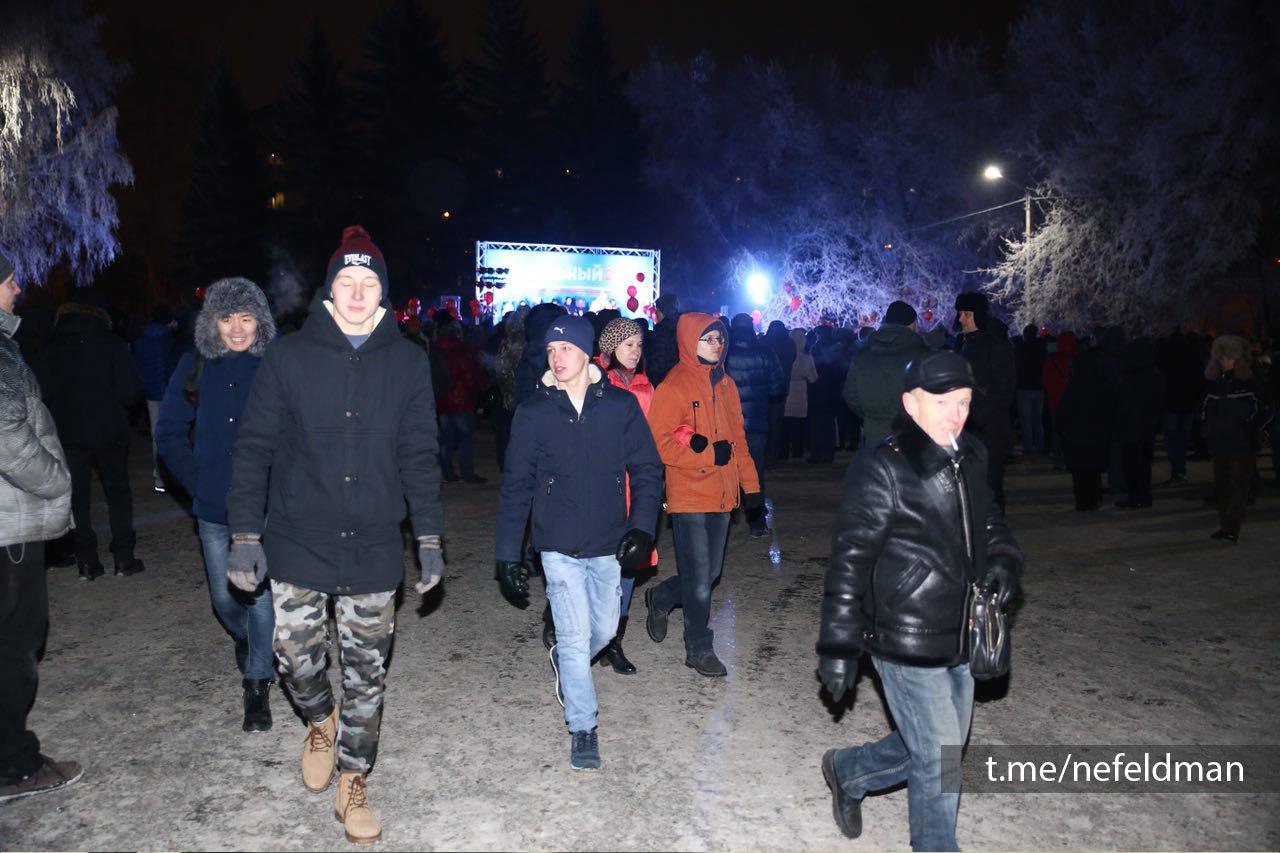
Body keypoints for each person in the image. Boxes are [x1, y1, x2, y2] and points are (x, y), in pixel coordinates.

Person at [226, 226, 444, 844]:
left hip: (374, 543)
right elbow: (254, 449)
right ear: (329, 289)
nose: (356, 292)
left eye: (368, 282)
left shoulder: (407, 361)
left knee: (367, 674)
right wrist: (245, 531)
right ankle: (319, 718)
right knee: (295, 656)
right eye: (346, 281)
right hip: (299, 537)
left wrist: (428, 537)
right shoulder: (289, 356)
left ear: (383, 293)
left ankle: (354, 778)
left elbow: (420, 453)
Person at [817, 349, 1024, 851]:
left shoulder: (971, 455)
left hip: (963, 631)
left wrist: (1003, 563)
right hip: (902, 634)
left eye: (965, 402)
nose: (956, 413)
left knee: (939, 750)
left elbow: (992, 525)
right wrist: (839, 647)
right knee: (937, 758)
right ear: (911, 405)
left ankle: (849, 771)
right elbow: (850, 561)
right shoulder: (882, 468)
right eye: (944, 402)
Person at [493, 315, 662, 769]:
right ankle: (583, 727)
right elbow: (515, 487)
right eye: (550, 350)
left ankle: (567, 662)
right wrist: (508, 552)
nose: (556, 357)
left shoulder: (620, 406)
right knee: (573, 636)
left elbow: (648, 469)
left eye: (565, 349)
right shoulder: (534, 411)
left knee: (604, 631)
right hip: (558, 544)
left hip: (609, 540)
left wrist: (642, 527)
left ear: (587, 353)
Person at [155, 278, 277, 733]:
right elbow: (167, 434)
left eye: (246, 317)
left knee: (258, 593)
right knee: (225, 599)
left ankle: (257, 683)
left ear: (259, 321)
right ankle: (249, 639)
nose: (238, 328)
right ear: (214, 323)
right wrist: (198, 480)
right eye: (227, 318)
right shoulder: (194, 365)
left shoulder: (274, 367)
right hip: (212, 507)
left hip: (262, 506)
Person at [0, 257, 83, 803]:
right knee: (14, 644)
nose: (16, 287)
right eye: (7, 280)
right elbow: (6, 434)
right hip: (9, 528)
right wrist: (55, 481)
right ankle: (14, 765)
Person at [644, 313, 763, 677]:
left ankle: (661, 596)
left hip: (723, 494)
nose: (716, 345)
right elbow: (659, 443)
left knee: (708, 574)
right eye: (707, 339)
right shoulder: (674, 385)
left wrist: (753, 489)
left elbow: (739, 440)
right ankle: (698, 647)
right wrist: (709, 455)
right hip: (690, 494)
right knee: (699, 580)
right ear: (688, 341)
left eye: (719, 339)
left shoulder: (725, 384)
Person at [33, 288, 146, 580]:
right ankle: (123, 557)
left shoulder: (51, 348)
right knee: (118, 492)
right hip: (109, 430)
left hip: (68, 432)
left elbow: (40, 392)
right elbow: (131, 390)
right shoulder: (112, 344)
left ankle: (86, 561)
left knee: (77, 497)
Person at [594, 317, 659, 673]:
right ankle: (570, 626)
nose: (635, 352)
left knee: (628, 566)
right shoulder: (592, 381)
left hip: (635, 489)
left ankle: (613, 642)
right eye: (628, 344)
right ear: (611, 347)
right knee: (594, 561)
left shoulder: (647, 387)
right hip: (599, 487)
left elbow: (655, 438)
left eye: (639, 345)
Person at [1201, 335, 1270, 543]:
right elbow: (1205, 408)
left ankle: (1232, 528)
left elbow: (1263, 410)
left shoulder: (1249, 382)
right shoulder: (1214, 382)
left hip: (1242, 443)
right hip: (1219, 442)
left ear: (1237, 359)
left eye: (1228, 357)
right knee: (1222, 486)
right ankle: (1225, 526)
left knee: (1238, 486)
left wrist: (1249, 427)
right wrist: (1207, 428)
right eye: (1220, 358)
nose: (1223, 361)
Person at [723, 313, 786, 536]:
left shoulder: (724, 354)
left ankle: (725, 517)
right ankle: (756, 521)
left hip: (728, 423)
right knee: (755, 472)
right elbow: (778, 388)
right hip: (757, 422)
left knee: (726, 469)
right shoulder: (765, 353)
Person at [952, 292, 1015, 509]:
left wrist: (980, 415)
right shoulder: (965, 344)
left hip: (989, 431)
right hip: (968, 429)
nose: (961, 319)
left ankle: (995, 537)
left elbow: (1004, 389)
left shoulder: (996, 345)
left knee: (990, 489)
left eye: (967, 314)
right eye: (960, 313)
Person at [843, 301, 928, 449]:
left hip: (875, 433)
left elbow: (850, 394)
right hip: (913, 432)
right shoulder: (922, 354)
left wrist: (871, 416)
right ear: (912, 323)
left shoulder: (864, 355)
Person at [1056, 344, 1114, 511]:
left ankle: (1083, 502)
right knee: (1094, 471)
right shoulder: (1102, 384)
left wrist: (1063, 430)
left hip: (1077, 438)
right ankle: (1095, 499)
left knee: (1080, 473)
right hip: (1097, 436)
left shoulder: (1074, 387)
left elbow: (1063, 413)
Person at [432, 309, 487, 484]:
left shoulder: (434, 350)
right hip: (462, 401)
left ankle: (447, 471)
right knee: (465, 439)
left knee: (446, 438)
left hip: (442, 400)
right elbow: (470, 378)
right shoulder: (461, 351)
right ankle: (467, 472)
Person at [132, 304, 178, 492]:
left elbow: (138, 367)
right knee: (175, 434)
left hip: (151, 392)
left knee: (156, 434)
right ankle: (173, 475)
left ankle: (160, 478)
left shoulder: (140, 340)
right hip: (171, 392)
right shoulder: (170, 339)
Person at [1114, 337, 1164, 509]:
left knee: (1132, 464)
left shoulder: (1129, 378)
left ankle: (1135, 497)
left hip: (1130, 428)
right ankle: (1144, 495)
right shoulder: (1155, 375)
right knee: (1144, 464)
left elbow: (1121, 403)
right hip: (1147, 427)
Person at [1155, 326, 1201, 485]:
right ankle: (1180, 471)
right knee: (1181, 439)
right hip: (1187, 404)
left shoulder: (1165, 357)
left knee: (1173, 440)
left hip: (1171, 404)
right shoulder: (1192, 356)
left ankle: (1178, 471)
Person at [1041, 331, 1076, 471]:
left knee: (1057, 432)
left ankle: (1057, 460)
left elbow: (1045, 381)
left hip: (1055, 401)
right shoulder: (1075, 361)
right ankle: (1070, 459)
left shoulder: (1051, 361)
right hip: (1072, 403)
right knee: (1071, 434)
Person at [783, 328, 818, 461]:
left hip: (786, 391)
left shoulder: (785, 355)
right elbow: (813, 378)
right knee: (798, 425)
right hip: (800, 392)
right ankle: (797, 453)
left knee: (785, 425)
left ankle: (783, 452)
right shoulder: (807, 357)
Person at [764, 320, 796, 465]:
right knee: (776, 424)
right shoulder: (789, 344)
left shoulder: (765, 343)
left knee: (764, 424)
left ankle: (764, 456)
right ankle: (773, 457)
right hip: (782, 387)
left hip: (762, 388)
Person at [1013, 323, 1047, 456]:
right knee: (1037, 420)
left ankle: (1029, 448)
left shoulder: (1020, 348)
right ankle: (1040, 446)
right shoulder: (1041, 348)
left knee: (1026, 421)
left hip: (1024, 388)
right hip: (1038, 387)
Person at [646, 293, 681, 386]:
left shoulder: (661, 332)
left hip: (662, 384)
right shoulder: (683, 328)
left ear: (664, 311)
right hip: (680, 381)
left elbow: (657, 363)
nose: (655, 313)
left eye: (657, 310)